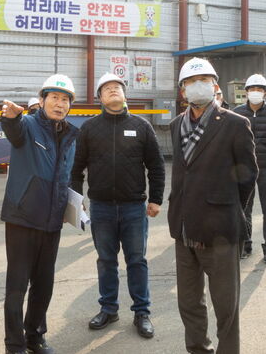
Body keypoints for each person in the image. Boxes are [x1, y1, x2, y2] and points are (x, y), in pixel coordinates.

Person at [168, 57, 257, 354]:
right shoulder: (176, 125)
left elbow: (248, 176)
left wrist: (227, 209)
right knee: (188, 302)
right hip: (183, 227)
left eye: (204, 80)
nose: (198, 86)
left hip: (220, 230)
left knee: (225, 306)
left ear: (215, 85)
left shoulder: (235, 124)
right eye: (191, 82)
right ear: (183, 90)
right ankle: (198, 348)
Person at [70, 72, 165, 338]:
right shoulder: (89, 128)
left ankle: (142, 312)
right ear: (100, 97)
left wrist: (155, 199)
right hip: (101, 208)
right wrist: (77, 200)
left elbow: (156, 166)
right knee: (106, 261)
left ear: (125, 95)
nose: (113, 90)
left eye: (117, 87)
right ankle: (109, 309)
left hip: (134, 207)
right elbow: (76, 169)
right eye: (107, 88)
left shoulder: (141, 126)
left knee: (137, 260)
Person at [0, 74, 79, 354]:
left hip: (52, 222)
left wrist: (71, 205)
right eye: (54, 97)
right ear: (42, 100)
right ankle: (14, 345)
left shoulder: (70, 135)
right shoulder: (28, 125)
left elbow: (66, 176)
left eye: (65, 99)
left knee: (44, 285)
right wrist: (11, 118)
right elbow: (14, 129)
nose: (60, 104)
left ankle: (34, 336)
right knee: (17, 287)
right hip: (22, 218)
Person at [232, 74, 266, 263]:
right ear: (246, 92)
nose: (255, 92)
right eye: (252, 89)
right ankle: (246, 244)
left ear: (265, 92)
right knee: (244, 207)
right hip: (244, 167)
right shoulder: (237, 112)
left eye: (259, 89)